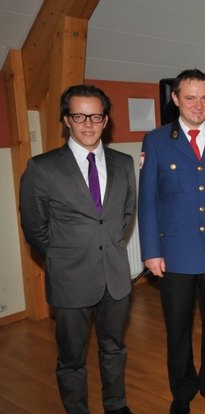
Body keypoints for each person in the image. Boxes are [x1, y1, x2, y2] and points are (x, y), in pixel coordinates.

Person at [19, 85, 135, 414]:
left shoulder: (124, 163)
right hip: (70, 278)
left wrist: (106, 246)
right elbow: (34, 226)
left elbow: (124, 215)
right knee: (71, 357)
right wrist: (65, 256)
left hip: (115, 277)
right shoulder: (42, 167)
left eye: (95, 116)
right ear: (66, 119)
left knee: (114, 347)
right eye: (79, 116)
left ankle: (116, 405)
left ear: (106, 120)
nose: (88, 124)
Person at [138, 69, 205, 414]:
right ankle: (182, 390)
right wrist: (151, 251)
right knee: (178, 328)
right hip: (174, 253)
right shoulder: (156, 141)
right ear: (176, 99)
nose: (199, 105)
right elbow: (147, 200)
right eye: (191, 97)